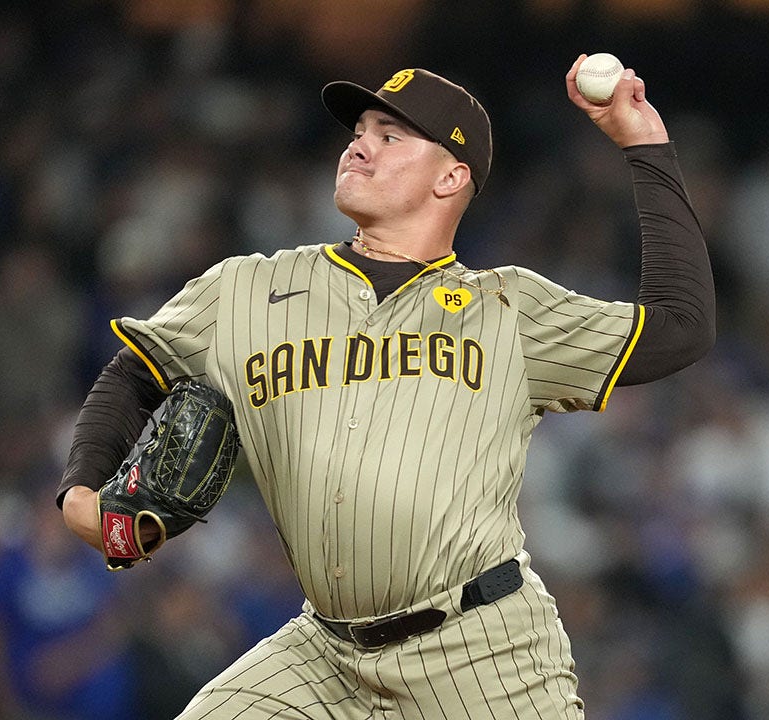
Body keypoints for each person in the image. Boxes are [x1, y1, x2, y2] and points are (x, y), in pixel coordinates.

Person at [57, 55, 715, 718]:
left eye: (391, 135)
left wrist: (644, 143)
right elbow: (137, 371)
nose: (360, 143)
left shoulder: (509, 311)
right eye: (360, 130)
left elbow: (681, 327)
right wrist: (82, 491)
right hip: (323, 657)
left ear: (451, 176)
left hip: (480, 653)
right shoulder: (245, 291)